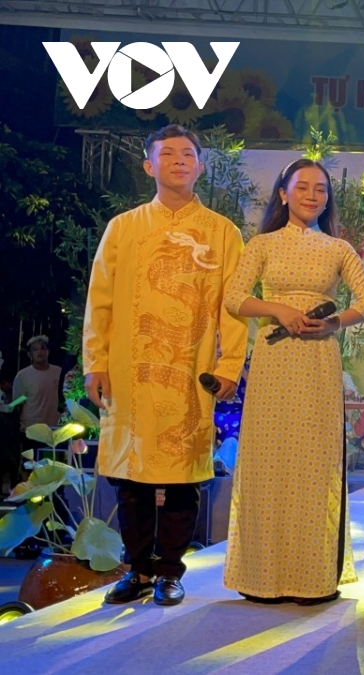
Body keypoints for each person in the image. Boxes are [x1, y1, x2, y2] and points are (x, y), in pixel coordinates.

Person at [83, 124, 248, 606]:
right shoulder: (124, 228)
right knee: (130, 476)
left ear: (200, 166)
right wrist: (95, 362)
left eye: (188, 154)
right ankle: (136, 570)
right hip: (129, 370)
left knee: (182, 475)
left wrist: (230, 365)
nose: (179, 161)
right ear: (148, 165)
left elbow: (235, 306)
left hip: (189, 371)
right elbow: (100, 300)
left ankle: (170, 572)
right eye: (168, 153)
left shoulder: (222, 232)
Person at [222, 159, 364, 605]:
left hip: (318, 361)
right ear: (283, 194)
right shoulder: (262, 244)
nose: (312, 195)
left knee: (314, 463)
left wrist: (334, 323)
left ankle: (312, 577)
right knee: (267, 461)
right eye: (302, 187)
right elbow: (234, 298)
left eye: (320, 189)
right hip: (273, 360)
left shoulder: (338, 248)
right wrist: (277, 310)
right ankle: (261, 576)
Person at [11, 335, 64, 433]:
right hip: (31, 428)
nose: (40, 352)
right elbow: (17, 402)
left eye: (43, 348)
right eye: (35, 349)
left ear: (48, 351)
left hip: (54, 427)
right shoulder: (23, 375)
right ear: (30, 354)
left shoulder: (58, 372)